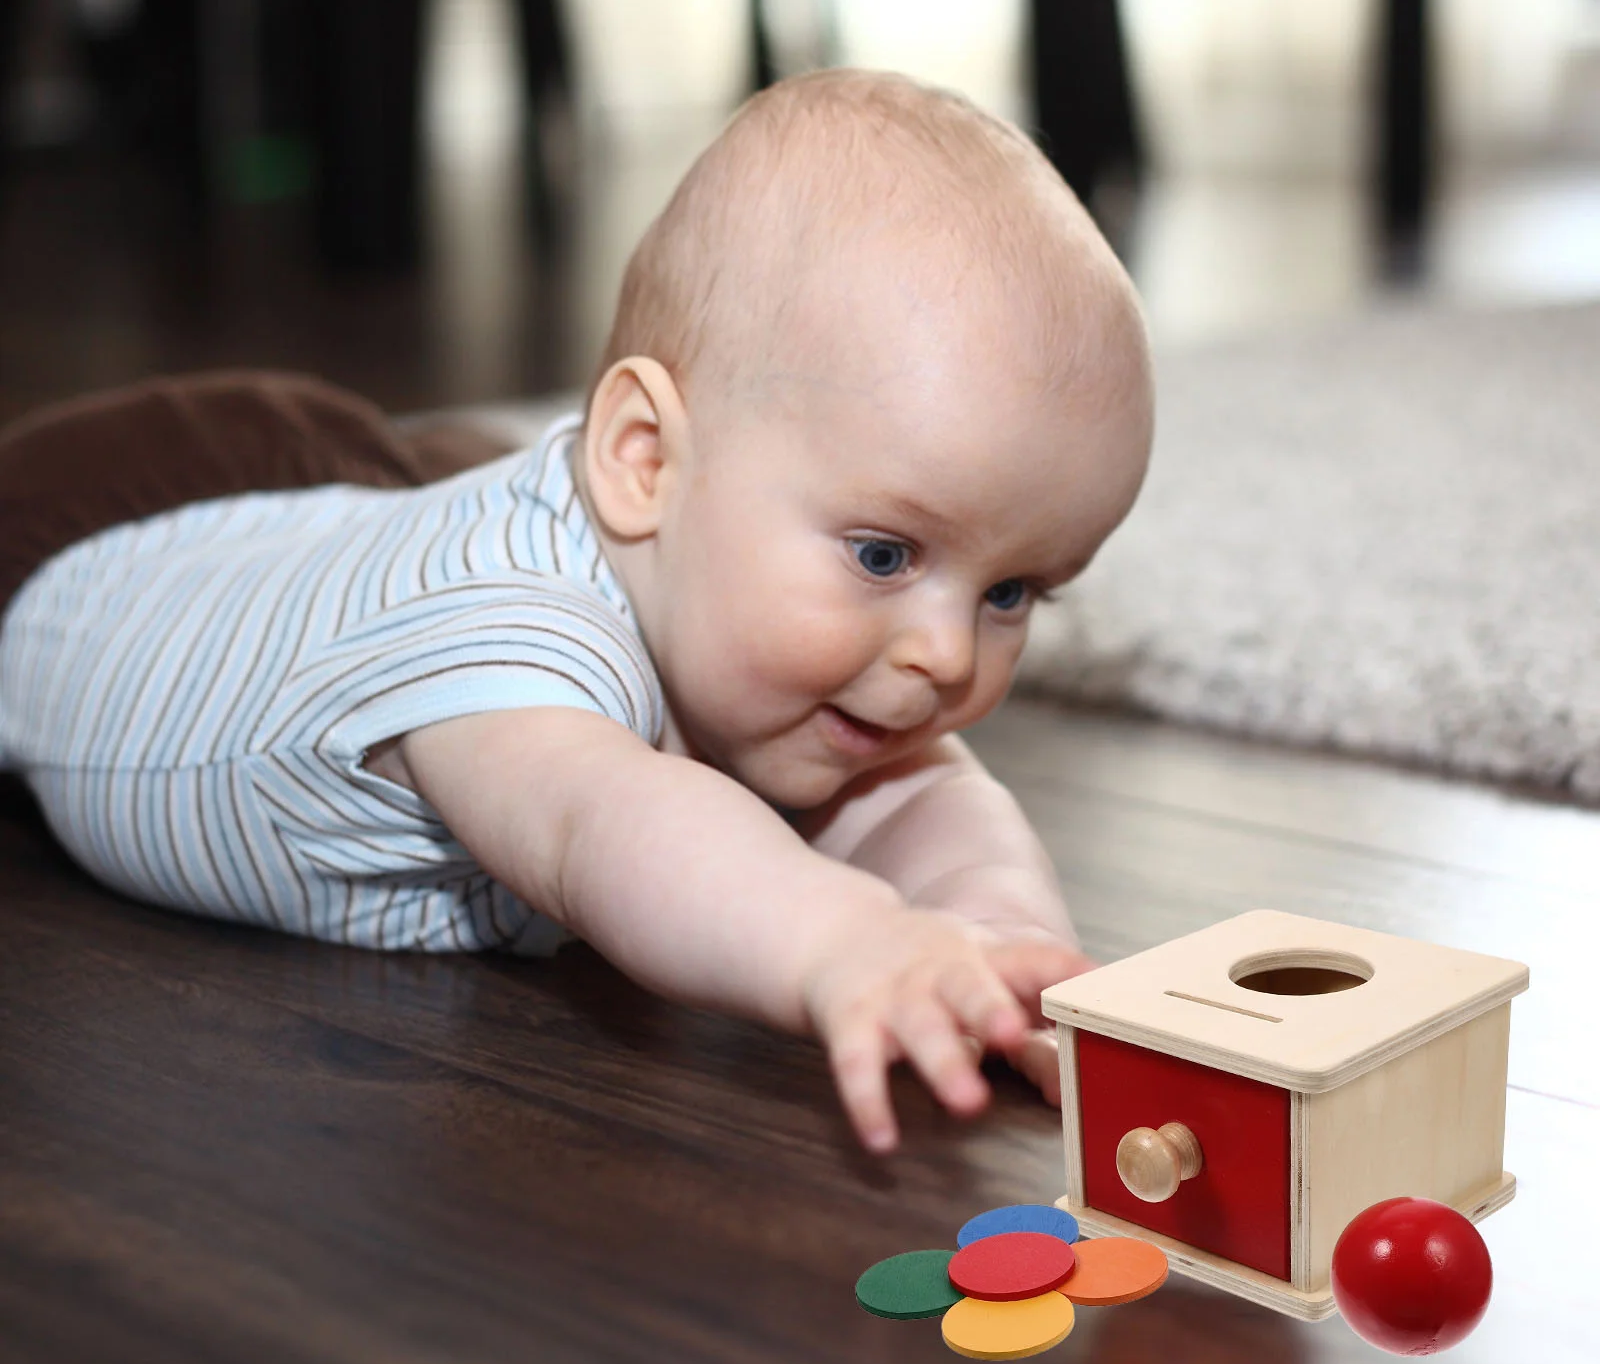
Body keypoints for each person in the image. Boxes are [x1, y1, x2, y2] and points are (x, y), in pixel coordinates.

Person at [0, 70, 1153, 1153]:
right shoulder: (508, 642)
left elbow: (929, 796)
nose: (946, 655)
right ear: (642, 458)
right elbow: (602, 828)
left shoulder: (777, 613)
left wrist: (996, 934)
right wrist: (842, 939)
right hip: (87, 549)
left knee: (430, 472)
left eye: (1011, 591)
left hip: (348, 522)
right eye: (884, 552)